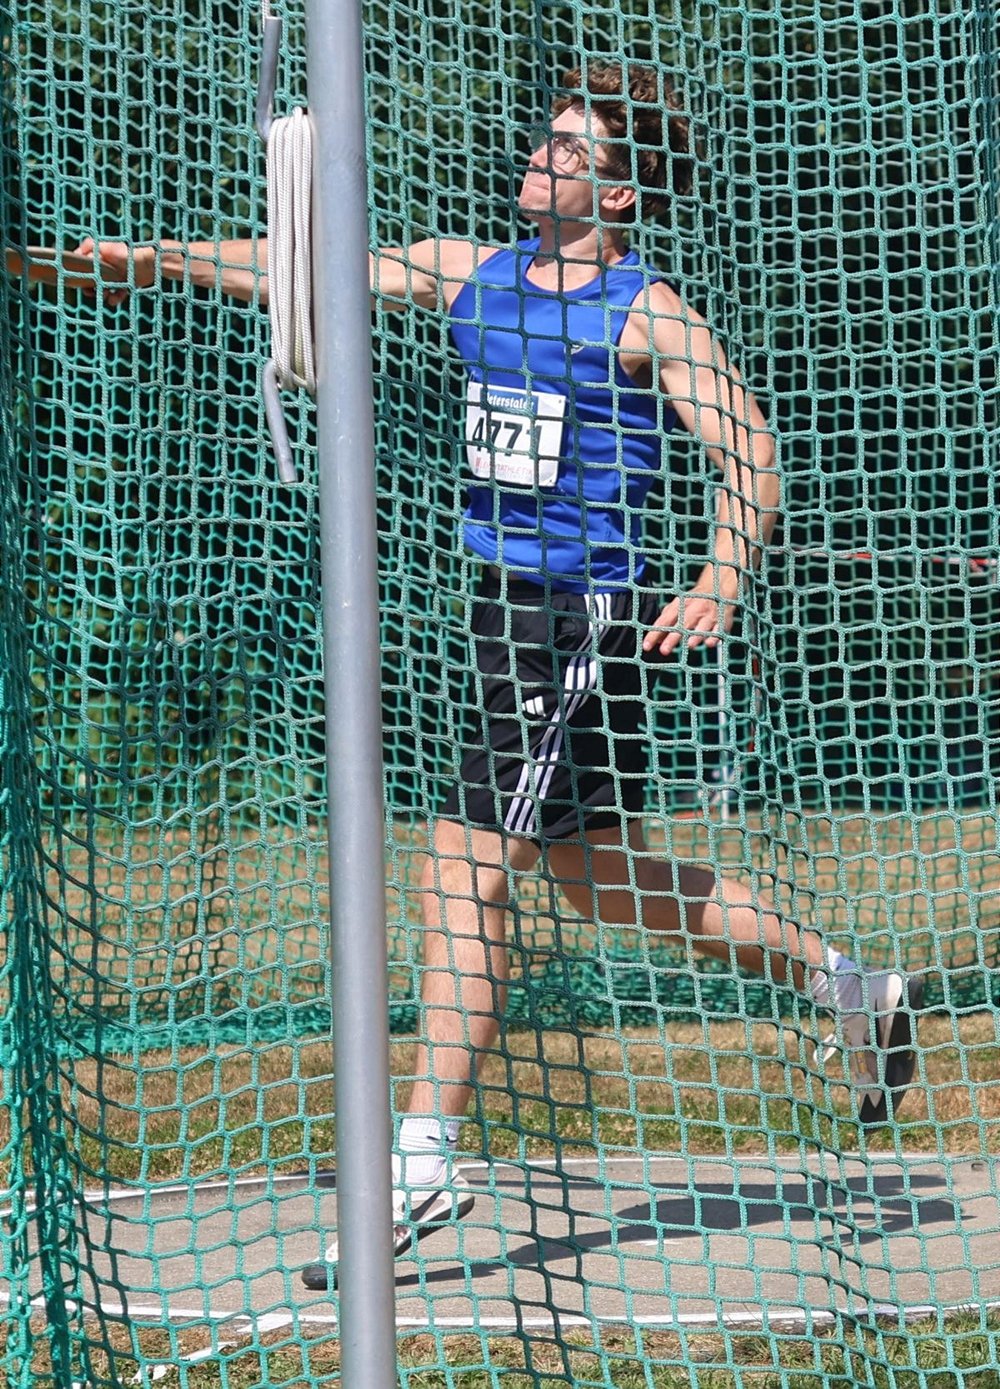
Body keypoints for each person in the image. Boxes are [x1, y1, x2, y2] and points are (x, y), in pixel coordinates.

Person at [79, 59, 922, 1291]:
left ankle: (422, 1161)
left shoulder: (645, 310)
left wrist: (718, 580)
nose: (545, 155)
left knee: (461, 870)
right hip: (503, 614)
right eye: (549, 137)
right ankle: (848, 981)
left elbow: (751, 451)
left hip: (576, 618)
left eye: (576, 149)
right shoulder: (470, 271)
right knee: (596, 882)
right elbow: (311, 270)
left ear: (619, 195)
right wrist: (153, 260)